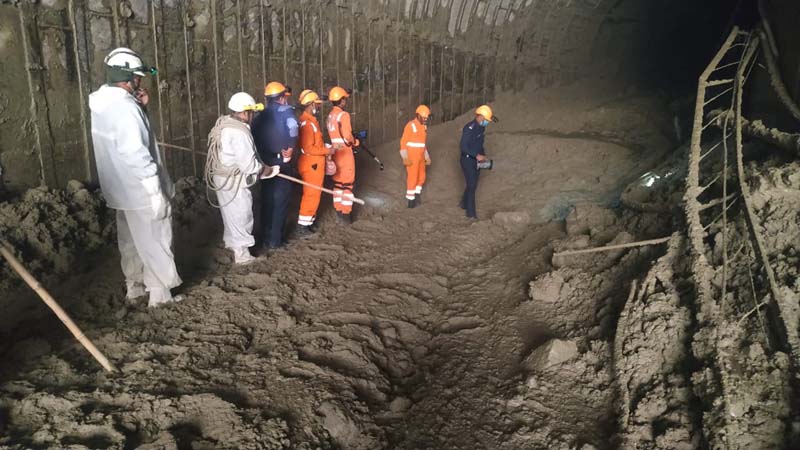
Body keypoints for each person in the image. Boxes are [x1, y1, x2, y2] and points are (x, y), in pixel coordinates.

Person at [88, 47, 182, 307]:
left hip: (120, 189)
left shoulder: (103, 104)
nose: (140, 81)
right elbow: (135, 152)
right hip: (141, 190)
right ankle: (160, 296)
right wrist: (155, 190)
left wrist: (141, 108)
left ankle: (135, 289)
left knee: (130, 242)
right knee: (156, 239)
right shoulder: (126, 109)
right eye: (138, 77)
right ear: (129, 78)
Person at [205, 92, 279, 264]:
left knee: (230, 211)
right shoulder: (240, 133)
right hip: (233, 179)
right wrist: (266, 170)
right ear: (245, 113)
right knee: (241, 212)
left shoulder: (225, 123)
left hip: (221, 175)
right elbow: (249, 165)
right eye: (252, 112)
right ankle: (242, 255)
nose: (253, 115)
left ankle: (231, 242)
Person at [252, 81, 299, 250]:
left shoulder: (258, 116)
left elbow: (252, 136)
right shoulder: (285, 111)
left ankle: (264, 236)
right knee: (280, 201)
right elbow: (293, 128)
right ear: (281, 98)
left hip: (264, 164)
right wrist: (291, 147)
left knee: (266, 200)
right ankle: (275, 240)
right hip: (281, 163)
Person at [295, 89, 330, 236]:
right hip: (312, 164)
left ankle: (308, 222)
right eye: (316, 104)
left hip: (313, 163)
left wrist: (325, 147)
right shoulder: (308, 124)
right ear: (310, 105)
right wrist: (328, 151)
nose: (319, 106)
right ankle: (302, 227)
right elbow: (308, 147)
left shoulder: (309, 121)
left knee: (314, 194)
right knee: (311, 194)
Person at [326, 86, 359, 224]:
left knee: (338, 184)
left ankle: (338, 210)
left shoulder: (330, 116)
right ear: (342, 101)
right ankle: (346, 215)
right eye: (345, 98)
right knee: (347, 185)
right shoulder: (343, 115)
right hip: (345, 153)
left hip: (335, 152)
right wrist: (355, 141)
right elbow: (347, 135)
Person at [459, 104, 494, 220]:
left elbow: (479, 144)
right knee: (472, 185)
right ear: (480, 117)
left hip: (476, 160)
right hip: (467, 159)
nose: (487, 122)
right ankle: (471, 214)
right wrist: (476, 155)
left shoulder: (481, 128)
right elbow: (463, 146)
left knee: (472, 184)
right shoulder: (469, 128)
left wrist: (483, 155)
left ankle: (463, 204)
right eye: (486, 120)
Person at [400, 105, 432, 208]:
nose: (425, 120)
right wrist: (405, 157)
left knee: (421, 177)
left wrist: (427, 157)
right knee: (412, 178)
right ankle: (411, 201)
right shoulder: (410, 125)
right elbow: (403, 143)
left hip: (421, 157)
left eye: (426, 118)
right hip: (412, 158)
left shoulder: (423, 127)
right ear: (418, 115)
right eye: (424, 117)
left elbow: (423, 145)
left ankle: (417, 195)